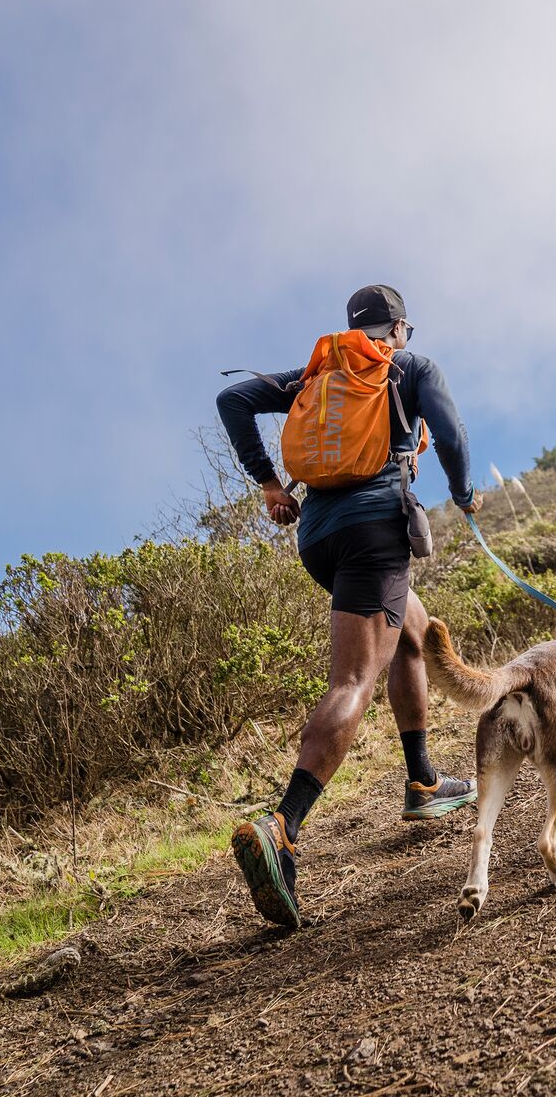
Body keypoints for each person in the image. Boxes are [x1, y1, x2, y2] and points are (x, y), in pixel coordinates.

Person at [216, 284, 484, 929]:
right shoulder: (409, 367)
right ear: (396, 328)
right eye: (405, 331)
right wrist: (464, 492)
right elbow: (449, 434)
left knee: (411, 632)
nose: (404, 340)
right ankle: (282, 827)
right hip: (374, 530)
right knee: (355, 678)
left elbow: (232, 398)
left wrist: (269, 484)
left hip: (319, 535)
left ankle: (421, 782)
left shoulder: (315, 373)